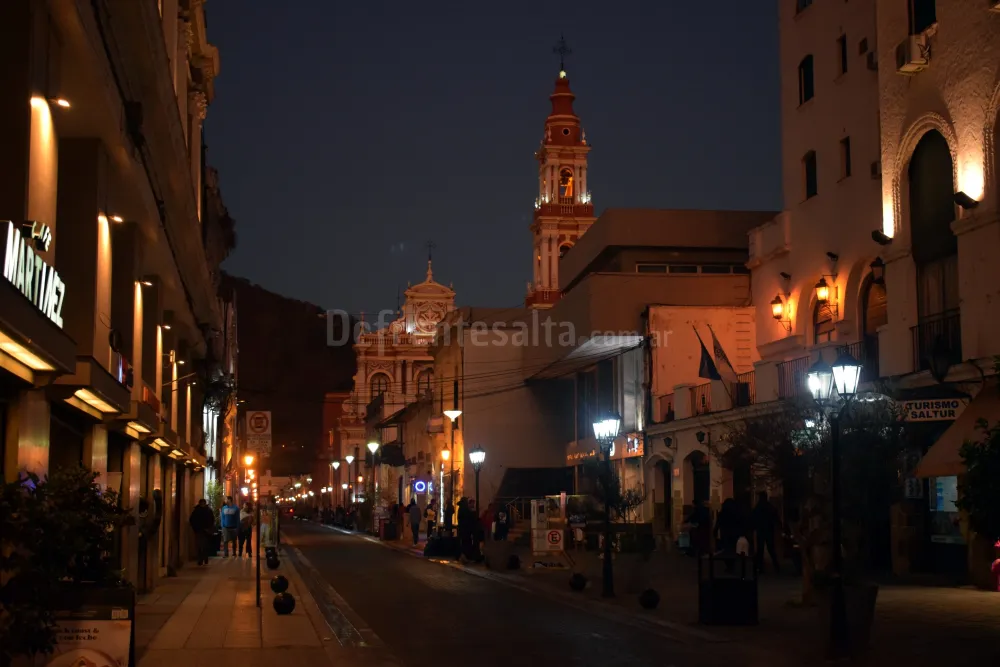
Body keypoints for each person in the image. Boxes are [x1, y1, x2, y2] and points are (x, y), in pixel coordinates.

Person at [752, 491, 781, 573]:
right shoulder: (769, 507)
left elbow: (753, 518)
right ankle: (776, 566)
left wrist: (753, 527)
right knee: (771, 548)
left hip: (761, 530)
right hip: (768, 530)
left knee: (760, 549)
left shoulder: (758, 507)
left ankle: (760, 567)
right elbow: (776, 517)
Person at [189, 499, 215, 565]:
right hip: (201, 530)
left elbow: (212, 520)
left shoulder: (203, 510)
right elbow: (192, 520)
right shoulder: (204, 510)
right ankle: (202, 559)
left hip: (204, 531)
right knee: (201, 545)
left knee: (204, 545)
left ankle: (204, 558)